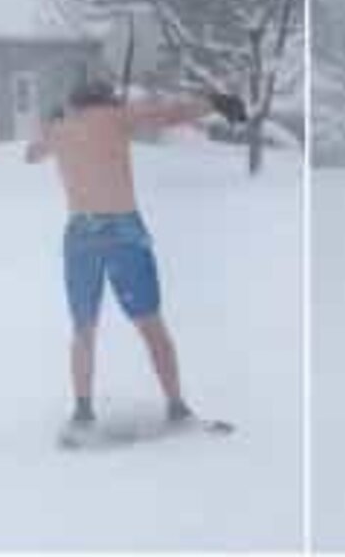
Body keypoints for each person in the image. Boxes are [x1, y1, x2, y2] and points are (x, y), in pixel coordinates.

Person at [25, 77, 247, 441]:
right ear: (106, 100)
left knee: (84, 327)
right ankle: (177, 406)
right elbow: (169, 113)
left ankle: (82, 411)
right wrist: (215, 103)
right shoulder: (118, 118)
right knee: (151, 324)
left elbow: (32, 154)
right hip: (124, 232)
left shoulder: (62, 129)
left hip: (82, 234)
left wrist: (47, 123)